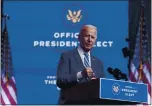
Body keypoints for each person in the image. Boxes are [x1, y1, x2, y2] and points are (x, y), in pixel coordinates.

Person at [56, 25, 105, 104]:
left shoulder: (98, 63)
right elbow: (60, 80)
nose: (89, 40)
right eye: (86, 36)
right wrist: (81, 74)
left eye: (92, 37)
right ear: (79, 37)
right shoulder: (67, 56)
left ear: (95, 40)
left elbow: (103, 89)